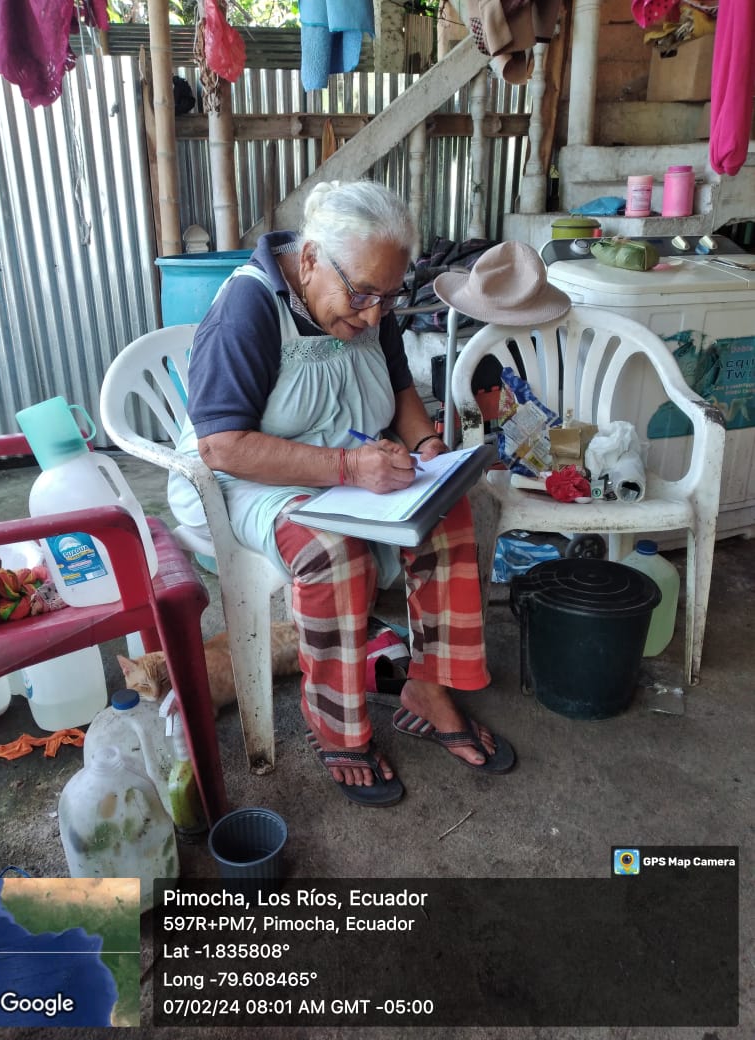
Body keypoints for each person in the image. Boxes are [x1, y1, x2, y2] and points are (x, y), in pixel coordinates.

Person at [168, 179, 515, 807]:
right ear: (309, 260)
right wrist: (349, 467)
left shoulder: (368, 296)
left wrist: (428, 447)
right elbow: (222, 447)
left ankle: (427, 684)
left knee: (452, 511)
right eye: (361, 295)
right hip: (247, 480)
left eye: (390, 296)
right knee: (332, 552)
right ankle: (336, 723)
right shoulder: (247, 308)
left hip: (346, 463)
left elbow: (401, 390)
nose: (375, 315)